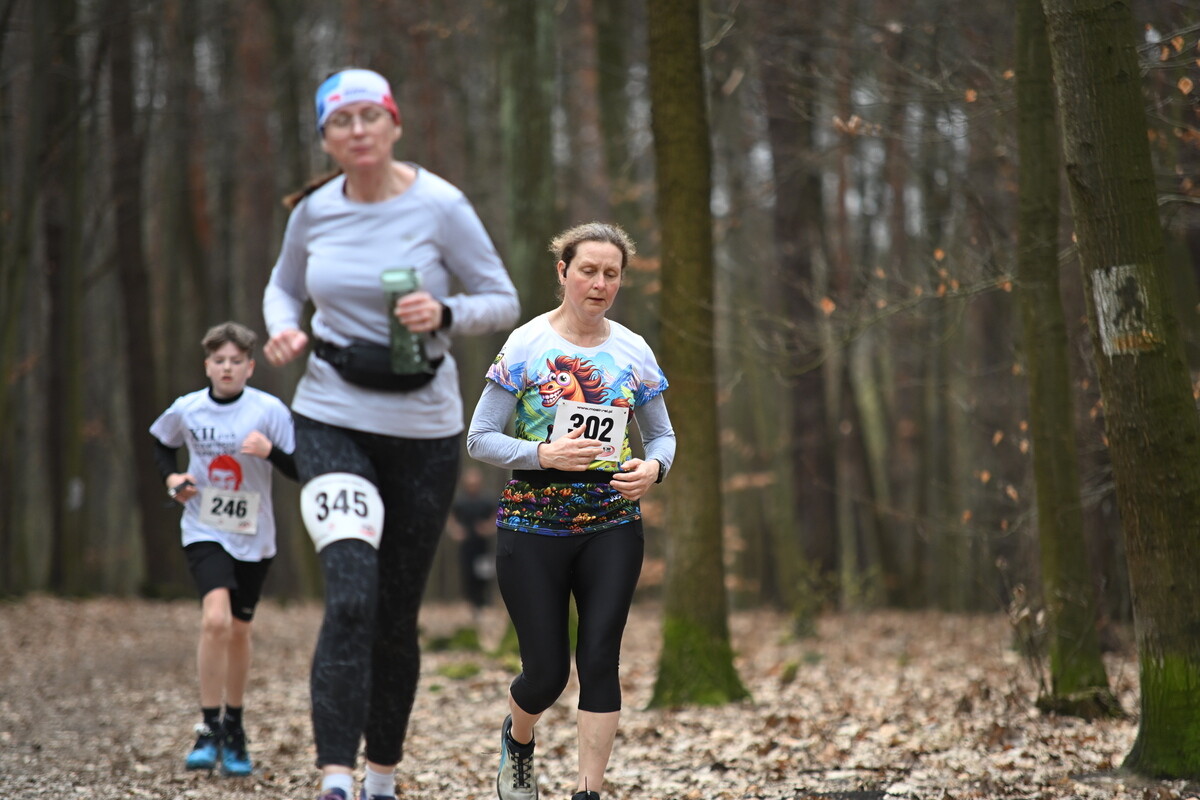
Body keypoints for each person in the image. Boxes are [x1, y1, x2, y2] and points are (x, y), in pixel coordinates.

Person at [261, 67, 519, 800]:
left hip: (424, 430)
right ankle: (335, 773)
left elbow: (500, 299)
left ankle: (382, 772)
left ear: (394, 124)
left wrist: (442, 314)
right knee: (350, 594)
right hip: (332, 416)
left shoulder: (442, 205)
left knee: (396, 611)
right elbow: (283, 286)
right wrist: (283, 328)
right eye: (342, 121)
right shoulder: (313, 211)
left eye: (371, 115)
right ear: (326, 138)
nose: (359, 130)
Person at [466, 222, 676, 800]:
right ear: (563, 272)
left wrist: (655, 469)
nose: (600, 283)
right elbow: (480, 438)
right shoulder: (528, 344)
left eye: (612, 274)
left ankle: (587, 792)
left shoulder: (633, 349)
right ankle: (519, 737)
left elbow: (662, 437)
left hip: (611, 523)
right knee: (547, 675)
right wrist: (542, 453)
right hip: (531, 527)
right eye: (588, 270)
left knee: (601, 656)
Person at [149, 321, 297, 777]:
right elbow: (160, 443)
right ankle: (208, 727)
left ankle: (234, 724)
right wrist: (173, 479)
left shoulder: (268, 410)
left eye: (236, 361)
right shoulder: (187, 409)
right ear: (207, 365)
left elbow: (301, 464)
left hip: (255, 536)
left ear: (250, 367)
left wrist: (270, 450)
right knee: (214, 620)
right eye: (219, 361)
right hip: (203, 526)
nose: (227, 368)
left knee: (237, 630)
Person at [447, 466, 497, 623]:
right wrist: (456, 531)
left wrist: (488, 528)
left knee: (483, 575)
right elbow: (450, 518)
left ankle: (483, 605)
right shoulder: (460, 500)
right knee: (467, 575)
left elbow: (496, 517)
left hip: (483, 546)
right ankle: (470, 606)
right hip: (466, 545)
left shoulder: (487, 499)